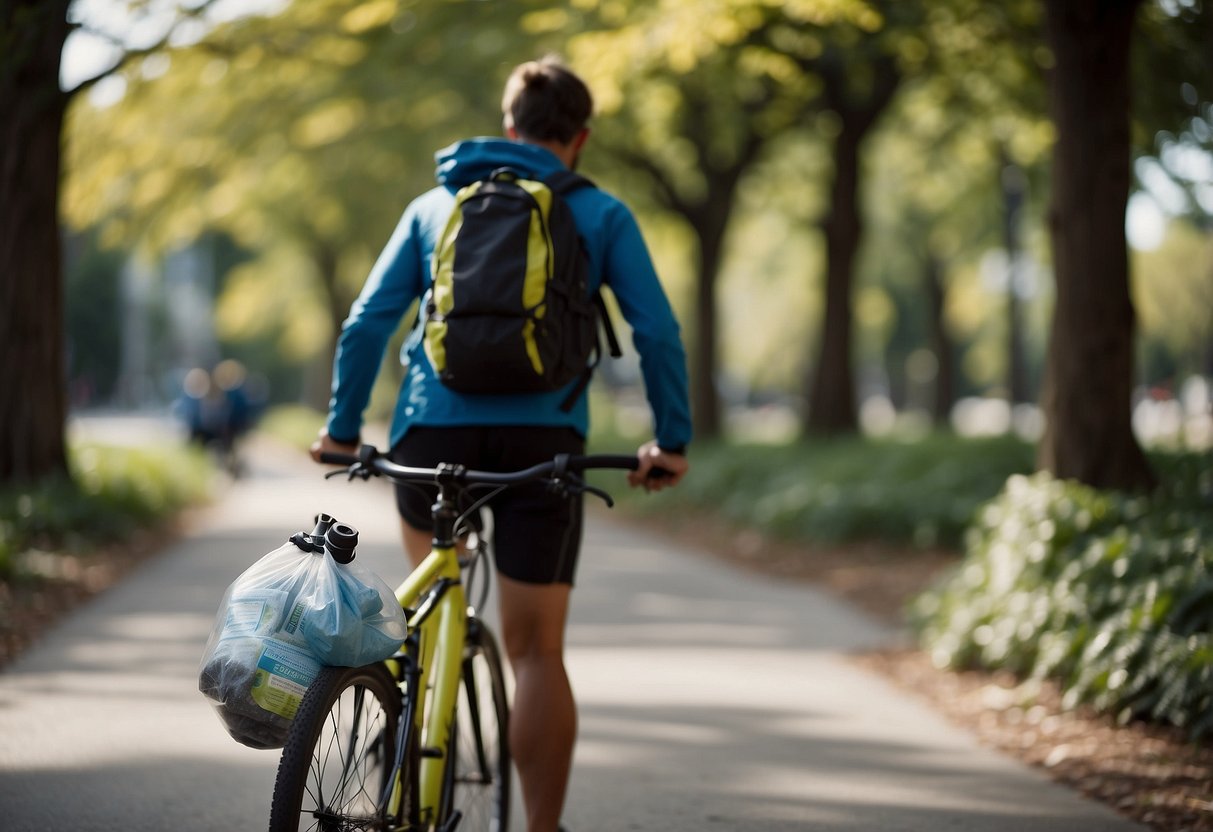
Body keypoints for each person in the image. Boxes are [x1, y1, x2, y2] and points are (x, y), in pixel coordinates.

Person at [311, 55, 692, 832]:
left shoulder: (434, 205)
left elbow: (366, 322)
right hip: (541, 446)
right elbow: (656, 331)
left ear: (507, 125)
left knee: (424, 604)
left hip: (427, 435)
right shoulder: (600, 212)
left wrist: (343, 430)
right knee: (534, 653)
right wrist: (670, 439)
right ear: (579, 137)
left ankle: (407, 741)